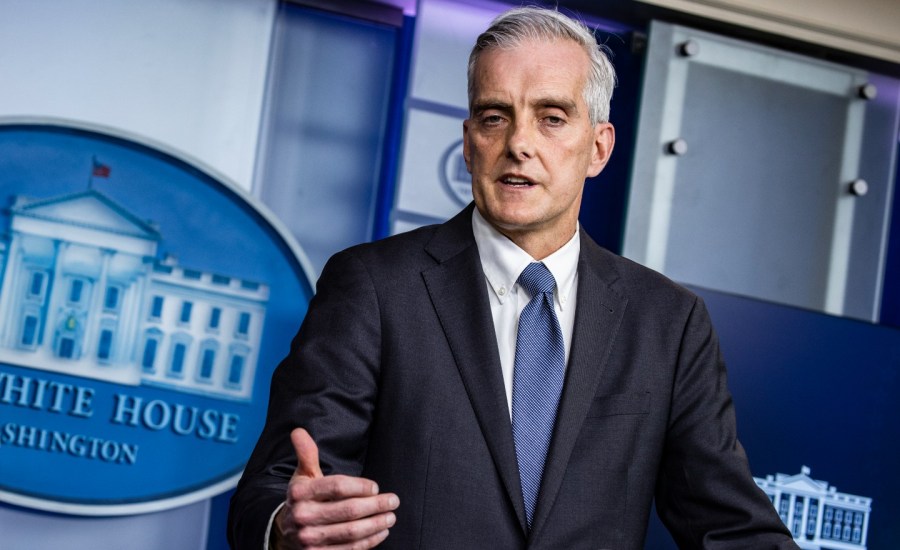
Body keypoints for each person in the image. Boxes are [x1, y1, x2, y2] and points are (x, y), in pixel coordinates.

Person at [229, 6, 798, 549]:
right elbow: (280, 486)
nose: (519, 144)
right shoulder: (374, 287)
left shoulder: (669, 324)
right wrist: (286, 526)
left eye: (552, 118)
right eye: (495, 117)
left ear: (598, 148)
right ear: (469, 143)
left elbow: (728, 527)